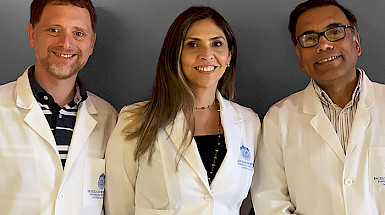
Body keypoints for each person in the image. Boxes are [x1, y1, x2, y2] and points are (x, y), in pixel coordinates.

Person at [105, 6, 260, 215]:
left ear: (229, 56)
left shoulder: (249, 122)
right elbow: (118, 206)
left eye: (217, 44)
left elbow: (247, 203)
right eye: (193, 44)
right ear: (176, 54)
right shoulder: (135, 120)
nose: (207, 54)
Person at [252, 0, 385, 214]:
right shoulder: (279, 119)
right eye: (309, 38)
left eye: (335, 32)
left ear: (357, 43)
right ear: (299, 57)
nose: (323, 45)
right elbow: (270, 202)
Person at [0, 0, 117, 214]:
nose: (66, 44)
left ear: (91, 44)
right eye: (54, 30)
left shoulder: (109, 118)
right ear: (32, 34)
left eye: (79, 34)